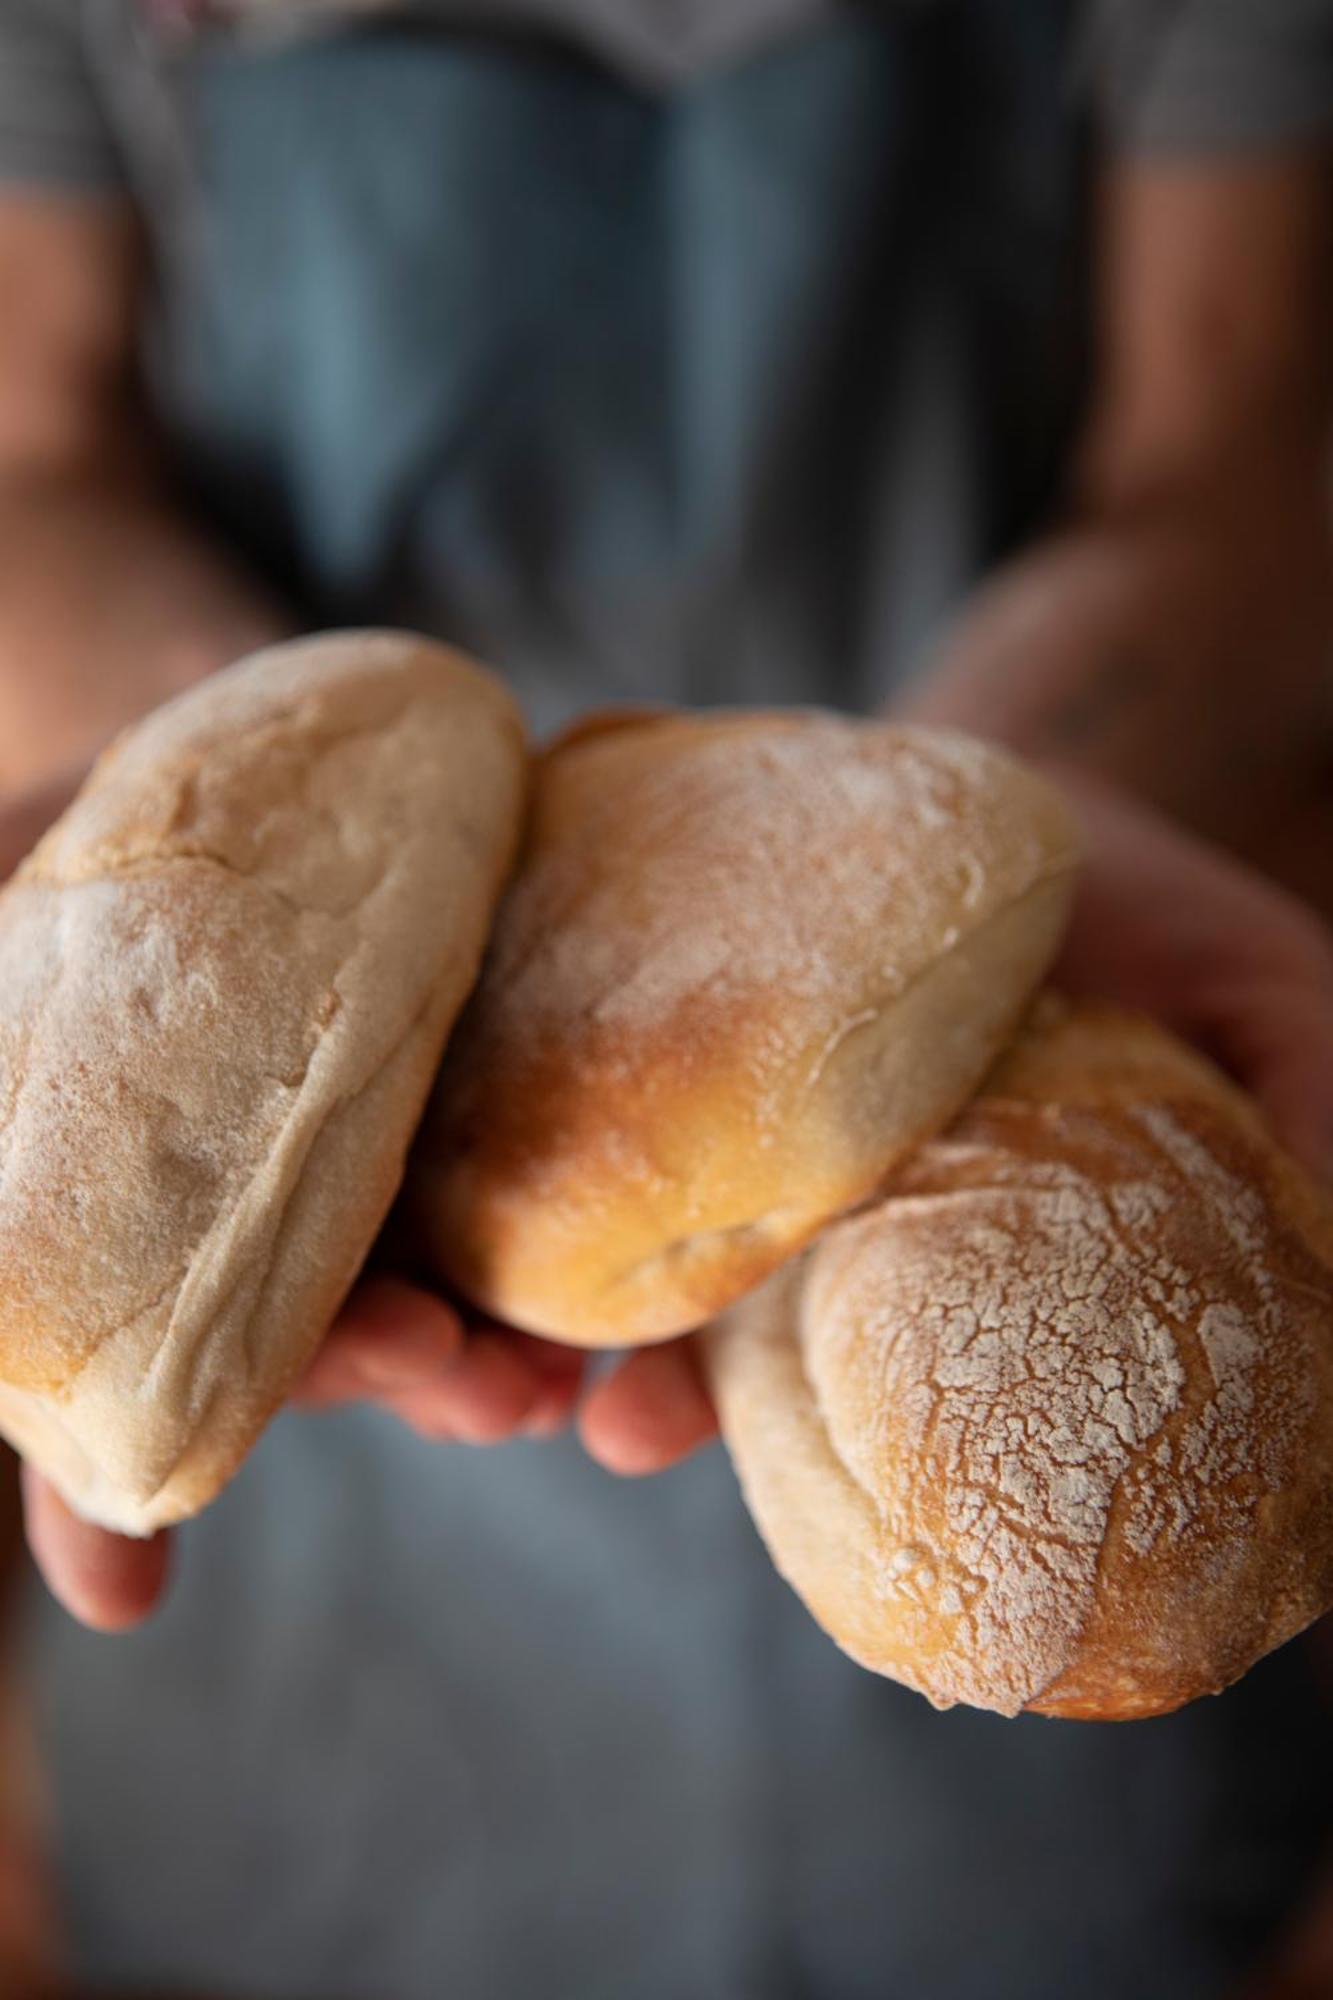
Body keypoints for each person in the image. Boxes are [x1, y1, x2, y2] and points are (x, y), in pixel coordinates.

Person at [1, 2, 1332, 1995]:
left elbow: (1232, 445)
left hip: (999, 1281)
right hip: (355, 1393)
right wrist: (241, 800)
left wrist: (958, 825)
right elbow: (34, 450)